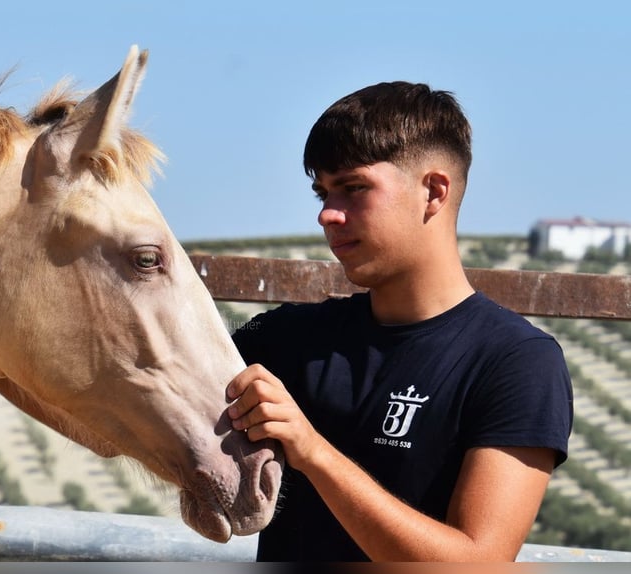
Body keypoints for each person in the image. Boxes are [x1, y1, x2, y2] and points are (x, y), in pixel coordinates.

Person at [226, 81, 573, 561]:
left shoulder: (517, 363)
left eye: (352, 188)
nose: (327, 214)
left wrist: (313, 451)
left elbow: (477, 564)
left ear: (433, 192)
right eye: (322, 192)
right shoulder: (287, 338)